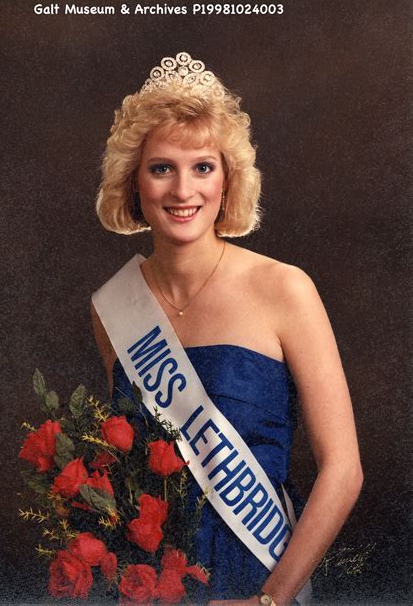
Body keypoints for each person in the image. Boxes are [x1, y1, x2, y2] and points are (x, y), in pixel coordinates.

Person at [91, 52, 363, 605]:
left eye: (203, 167)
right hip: (157, 585)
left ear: (227, 178)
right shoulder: (111, 309)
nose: (183, 191)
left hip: (261, 574)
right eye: (161, 167)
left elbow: (344, 469)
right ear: (133, 182)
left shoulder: (285, 289)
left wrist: (269, 600)